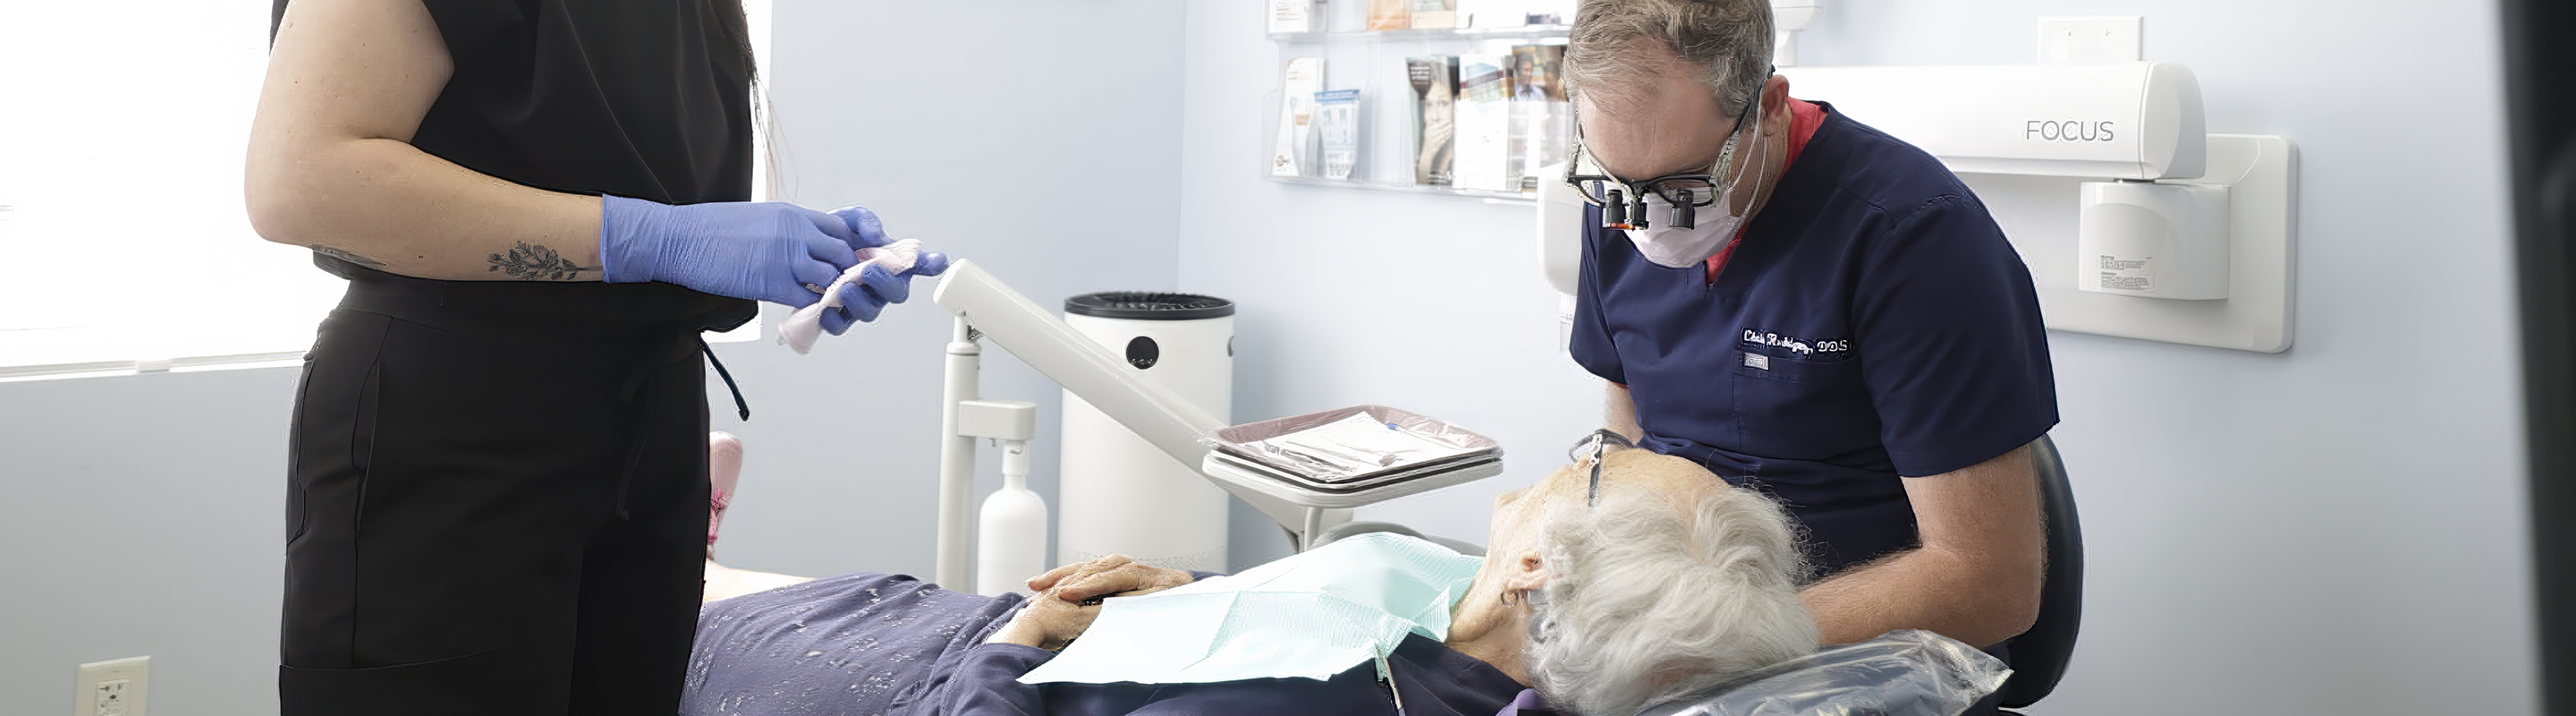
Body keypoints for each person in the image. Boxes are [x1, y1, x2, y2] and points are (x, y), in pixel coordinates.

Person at [242, 1, 947, 713]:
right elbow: (302, 182)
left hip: (651, 419)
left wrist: (781, 251)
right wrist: (655, 238)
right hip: (455, 422)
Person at [1558, 0, 2057, 709]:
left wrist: (1716, 640)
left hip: (1864, 663)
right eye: (1612, 183)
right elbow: (1631, 441)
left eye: (1685, 190)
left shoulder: (1912, 238)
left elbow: (1989, 583)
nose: (1641, 223)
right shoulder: (1623, 201)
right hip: (1670, 641)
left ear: (1767, 107)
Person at [684, 446, 1820, 716]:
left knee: (677, 633)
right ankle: (704, 556)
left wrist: (1020, 638)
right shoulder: (1487, 632)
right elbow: (1331, 614)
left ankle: (685, 572)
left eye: (1598, 459)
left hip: (940, 683)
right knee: (859, 585)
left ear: (1535, 563)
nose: (1578, 450)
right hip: (1020, 633)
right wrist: (1192, 591)